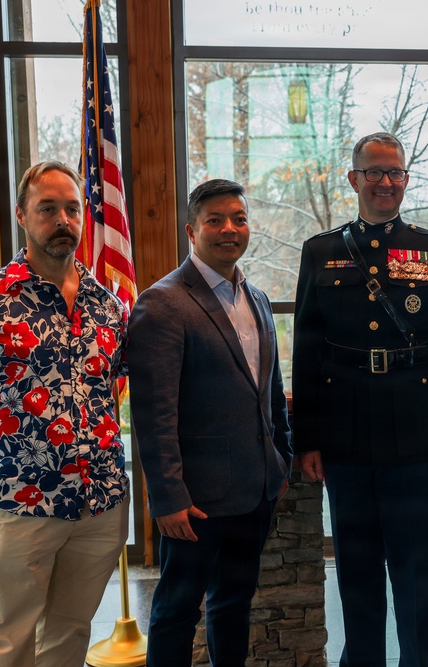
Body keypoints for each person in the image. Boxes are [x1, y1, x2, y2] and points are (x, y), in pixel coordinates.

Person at [0, 160, 129, 666]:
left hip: (98, 501)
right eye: (47, 208)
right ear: (21, 214)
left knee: (69, 633)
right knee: (4, 641)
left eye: (72, 209)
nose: (62, 219)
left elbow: (112, 391)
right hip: (18, 499)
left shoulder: (108, 306)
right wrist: (16, 446)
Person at [292, 131, 428, 666]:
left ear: (406, 180)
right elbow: (305, 351)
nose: (386, 182)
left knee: (416, 569)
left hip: (417, 439)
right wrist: (307, 440)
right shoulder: (320, 251)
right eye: (374, 172)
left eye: (395, 172)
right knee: (356, 568)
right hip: (345, 437)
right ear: (354, 180)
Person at [128, 179, 292, 667]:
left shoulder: (257, 298)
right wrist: (169, 497)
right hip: (196, 503)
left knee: (233, 604)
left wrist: (279, 462)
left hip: (255, 491)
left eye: (239, 219)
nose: (229, 229)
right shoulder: (163, 303)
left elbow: (271, 390)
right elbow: (153, 414)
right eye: (215, 220)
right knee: (177, 610)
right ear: (191, 230)